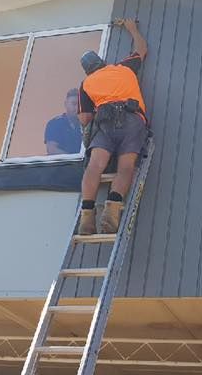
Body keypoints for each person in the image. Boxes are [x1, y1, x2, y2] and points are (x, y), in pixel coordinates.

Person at [76, 18, 148, 235]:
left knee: (95, 166)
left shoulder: (86, 85)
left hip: (105, 122)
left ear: (87, 71)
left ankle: (87, 217)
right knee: (125, 167)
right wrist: (132, 28)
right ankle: (112, 212)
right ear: (102, 62)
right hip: (132, 119)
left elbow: (85, 119)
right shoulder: (123, 68)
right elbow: (142, 49)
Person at [44, 88, 82, 155]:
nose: (77, 108)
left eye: (80, 105)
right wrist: (72, 159)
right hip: (64, 164)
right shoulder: (55, 124)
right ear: (66, 104)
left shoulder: (85, 124)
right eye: (74, 104)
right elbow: (52, 150)